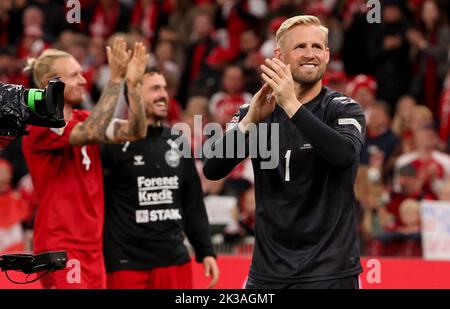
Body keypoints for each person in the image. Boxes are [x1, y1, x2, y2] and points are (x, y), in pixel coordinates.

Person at [203, 15, 366, 289]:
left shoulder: (343, 109)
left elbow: (345, 155)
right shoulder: (257, 110)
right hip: (267, 274)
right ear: (280, 56)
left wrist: (292, 106)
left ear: (327, 55)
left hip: (330, 273)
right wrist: (248, 122)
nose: (310, 54)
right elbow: (213, 169)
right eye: (300, 46)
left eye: (317, 47)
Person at [22, 38, 149, 288]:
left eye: (82, 73)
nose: (83, 80)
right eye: (74, 75)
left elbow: (135, 131)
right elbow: (92, 131)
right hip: (60, 245)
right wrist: (114, 80)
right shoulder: (40, 123)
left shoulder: (84, 117)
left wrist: (132, 86)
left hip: (92, 246)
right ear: (53, 84)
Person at [102, 66, 219, 289]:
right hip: (126, 265)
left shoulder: (178, 141)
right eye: (155, 88)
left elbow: (192, 202)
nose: (163, 94)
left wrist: (205, 251)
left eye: (164, 88)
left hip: (174, 262)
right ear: (134, 94)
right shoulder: (113, 144)